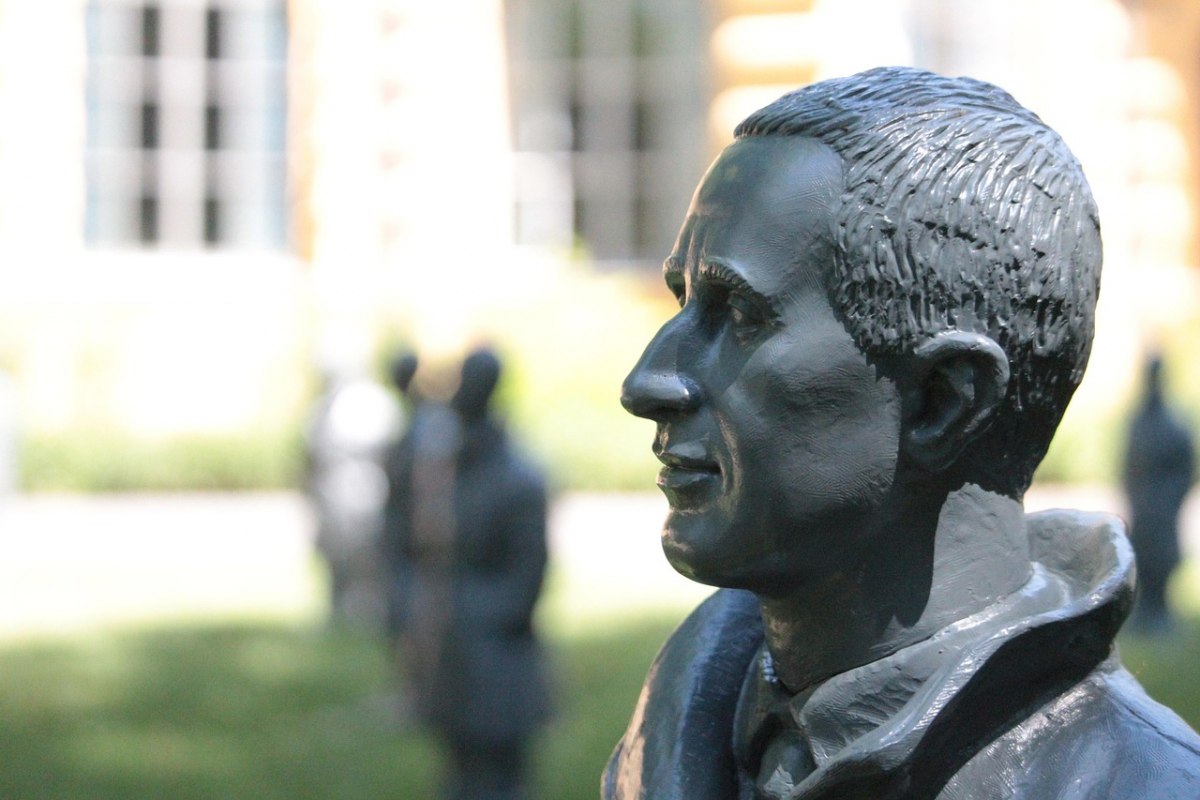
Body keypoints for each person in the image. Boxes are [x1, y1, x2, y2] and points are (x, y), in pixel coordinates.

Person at [605, 67, 1200, 800]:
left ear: (940, 402)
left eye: (738, 315)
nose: (647, 382)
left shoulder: (1141, 784)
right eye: (683, 300)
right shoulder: (676, 732)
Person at [388, 348, 551, 800]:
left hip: (494, 656)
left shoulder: (516, 478)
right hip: (452, 648)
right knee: (459, 770)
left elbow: (524, 582)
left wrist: (463, 615)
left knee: (498, 774)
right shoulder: (445, 467)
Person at [1122, 354, 1195, 633]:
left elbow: (1186, 468)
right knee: (1143, 553)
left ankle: (1159, 610)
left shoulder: (1174, 426)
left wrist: (1171, 497)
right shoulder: (1139, 423)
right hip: (1144, 504)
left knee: (1162, 554)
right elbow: (1128, 465)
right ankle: (1145, 610)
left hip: (1163, 504)